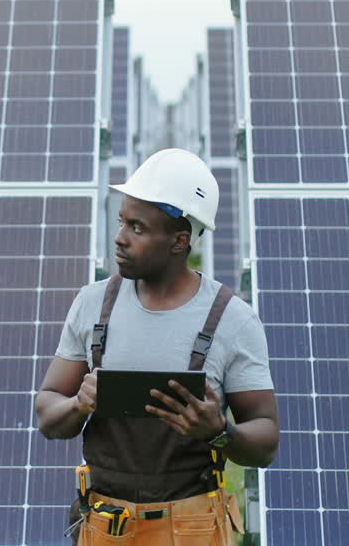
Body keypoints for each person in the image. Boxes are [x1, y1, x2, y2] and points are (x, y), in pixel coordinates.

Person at [35, 148, 279, 545]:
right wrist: (79, 403)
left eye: (137, 228)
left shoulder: (233, 320)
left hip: (193, 530)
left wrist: (219, 431)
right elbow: (47, 414)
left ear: (179, 241)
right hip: (104, 527)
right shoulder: (92, 304)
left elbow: (266, 441)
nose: (119, 238)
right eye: (121, 222)